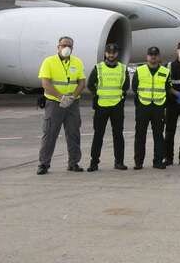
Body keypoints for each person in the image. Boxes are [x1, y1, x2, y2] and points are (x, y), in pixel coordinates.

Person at [37, 36, 87, 175]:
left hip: (72, 103)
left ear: (72, 48)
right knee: (50, 133)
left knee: (73, 133)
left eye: (69, 46)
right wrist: (61, 97)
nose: (66, 48)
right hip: (54, 103)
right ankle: (44, 164)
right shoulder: (49, 62)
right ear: (58, 47)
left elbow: (82, 83)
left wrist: (72, 97)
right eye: (63, 45)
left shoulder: (77, 62)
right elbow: (45, 83)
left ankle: (73, 163)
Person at [86, 43, 129, 172]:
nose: (111, 55)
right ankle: (94, 163)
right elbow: (90, 85)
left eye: (114, 52)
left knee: (118, 135)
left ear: (117, 54)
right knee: (98, 135)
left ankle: (119, 162)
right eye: (109, 52)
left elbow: (126, 86)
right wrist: (98, 95)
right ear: (105, 53)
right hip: (101, 106)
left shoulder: (123, 68)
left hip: (117, 106)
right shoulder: (98, 68)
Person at [131, 46, 171, 170]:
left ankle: (158, 161)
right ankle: (138, 162)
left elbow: (167, 89)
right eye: (150, 54)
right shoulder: (140, 70)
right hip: (143, 107)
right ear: (147, 56)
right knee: (140, 135)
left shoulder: (165, 71)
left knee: (158, 136)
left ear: (159, 57)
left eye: (155, 55)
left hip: (158, 108)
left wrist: (164, 105)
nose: (153, 57)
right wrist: (139, 103)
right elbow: (134, 87)